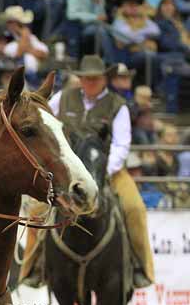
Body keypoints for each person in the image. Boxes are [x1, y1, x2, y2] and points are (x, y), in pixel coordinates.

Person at [20, 55, 154, 289]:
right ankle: (33, 267)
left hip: (108, 171)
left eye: (95, 78)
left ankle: (140, 267)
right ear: (80, 79)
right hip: (66, 172)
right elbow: (42, 122)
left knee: (134, 208)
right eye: (86, 78)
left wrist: (101, 172)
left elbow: (121, 146)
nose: (90, 82)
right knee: (37, 208)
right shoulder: (62, 98)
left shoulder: (117, 105)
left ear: (105, 79)